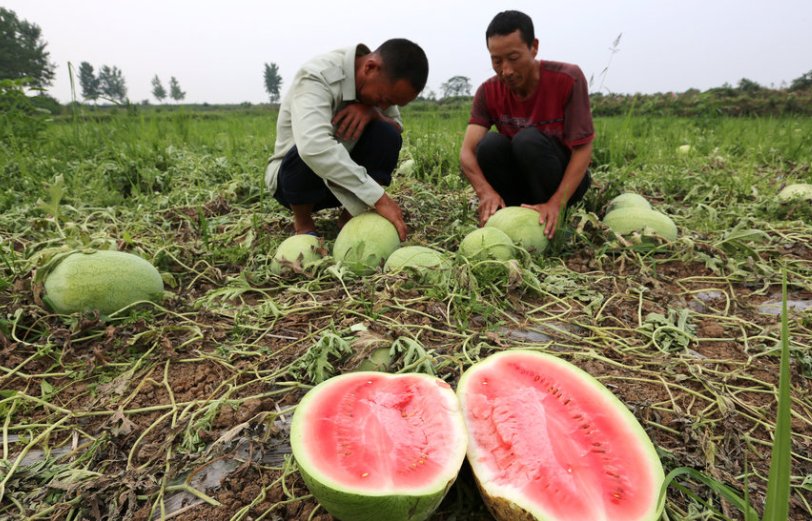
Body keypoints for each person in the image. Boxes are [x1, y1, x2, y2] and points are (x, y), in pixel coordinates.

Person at [265, 39, 429, 241]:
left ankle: (349, 218)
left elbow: (395, 126)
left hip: (343, 184)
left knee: (387, 134)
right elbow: (312, 147)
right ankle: (303, 223)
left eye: (392, 103)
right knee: (310, 148)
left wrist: (373, 113)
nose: (385, 105)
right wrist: (378, 198)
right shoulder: (316, 76)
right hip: (293, 183)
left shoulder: (381, 86)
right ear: (370, 68)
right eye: (384, 100)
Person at [459, 10, 594, 239]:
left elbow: (583, 149)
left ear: (533, 47)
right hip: (521, 182)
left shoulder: (567, 78)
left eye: (513, 58)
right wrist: (485, 192)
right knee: (489, 144)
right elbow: (467, 152)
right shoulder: (488, 91)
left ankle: (552, 217)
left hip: (561, 181)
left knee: (527, 140)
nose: (506, 71)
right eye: (496, 61)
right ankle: (513, 212)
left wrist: (556, 203)